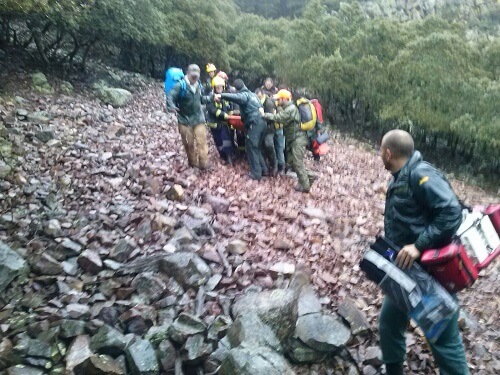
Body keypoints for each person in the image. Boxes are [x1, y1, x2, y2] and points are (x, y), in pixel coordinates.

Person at [378, 129, 468, 375]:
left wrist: (418, 246)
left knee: (443, 337)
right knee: (389, 323)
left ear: (388, 153)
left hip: (429, 273)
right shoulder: (398, 177)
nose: (380, 156)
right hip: (406, 271)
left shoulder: (421, 174)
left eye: (380, 152)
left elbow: (451, 213)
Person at [262, 89, 315, 193]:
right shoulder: (288, 108)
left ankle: (305, 187)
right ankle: (310, 176)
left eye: (279, 99)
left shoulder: (290, 109)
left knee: (297, 163)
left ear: (284, 99)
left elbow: (278, 117)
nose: (277, 101)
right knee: (293, 163)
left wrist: (264, 114)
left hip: (298, 139)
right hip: (294, 139)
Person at [215, 79, 268, 180]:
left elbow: (235, 98)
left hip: (254, 124)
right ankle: (263, 169)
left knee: (251, 147)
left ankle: (256, 174)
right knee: (256, 148)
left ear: (236, 89)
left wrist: (221, 95)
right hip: (262, 123)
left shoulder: (244, 95)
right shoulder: (253, 95)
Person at [166, 64, 212, 170]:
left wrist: (210, 98)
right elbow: (170, 97)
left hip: (198, 118)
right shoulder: (180, 85)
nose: (195, 78)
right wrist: (172, 106)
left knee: (202, 142)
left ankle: (204, 164)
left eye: (197, 76)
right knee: (189, 144)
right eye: (193, 76)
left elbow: (201, 99)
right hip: (184, 119)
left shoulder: (199, 85)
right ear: (188, 73)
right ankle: (192, 163)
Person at [206, 76, 234, 165]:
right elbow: (213, 110)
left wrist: (231, 114)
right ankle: (222, 156)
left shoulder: (226, 96)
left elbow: (230, 106)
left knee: (226, 140)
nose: (219, 89)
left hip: (224, 123)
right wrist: (225, 115)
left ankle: (229, 157)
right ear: (214, 88)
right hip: (214, 123)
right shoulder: (210, 98)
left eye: (221, 87)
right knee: (218, 141)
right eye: (217, 87)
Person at [255, 88, 278, 176]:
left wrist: (263, 115)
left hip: (269, 128)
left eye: (260, 97)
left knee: (269, 144)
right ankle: (265, 166)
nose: (258, 99)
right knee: (261, 146)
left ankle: (274, 164)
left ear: (263, 94)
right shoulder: (256, 102)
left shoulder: (268, 103)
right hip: (260, 128)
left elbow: (272, 117)